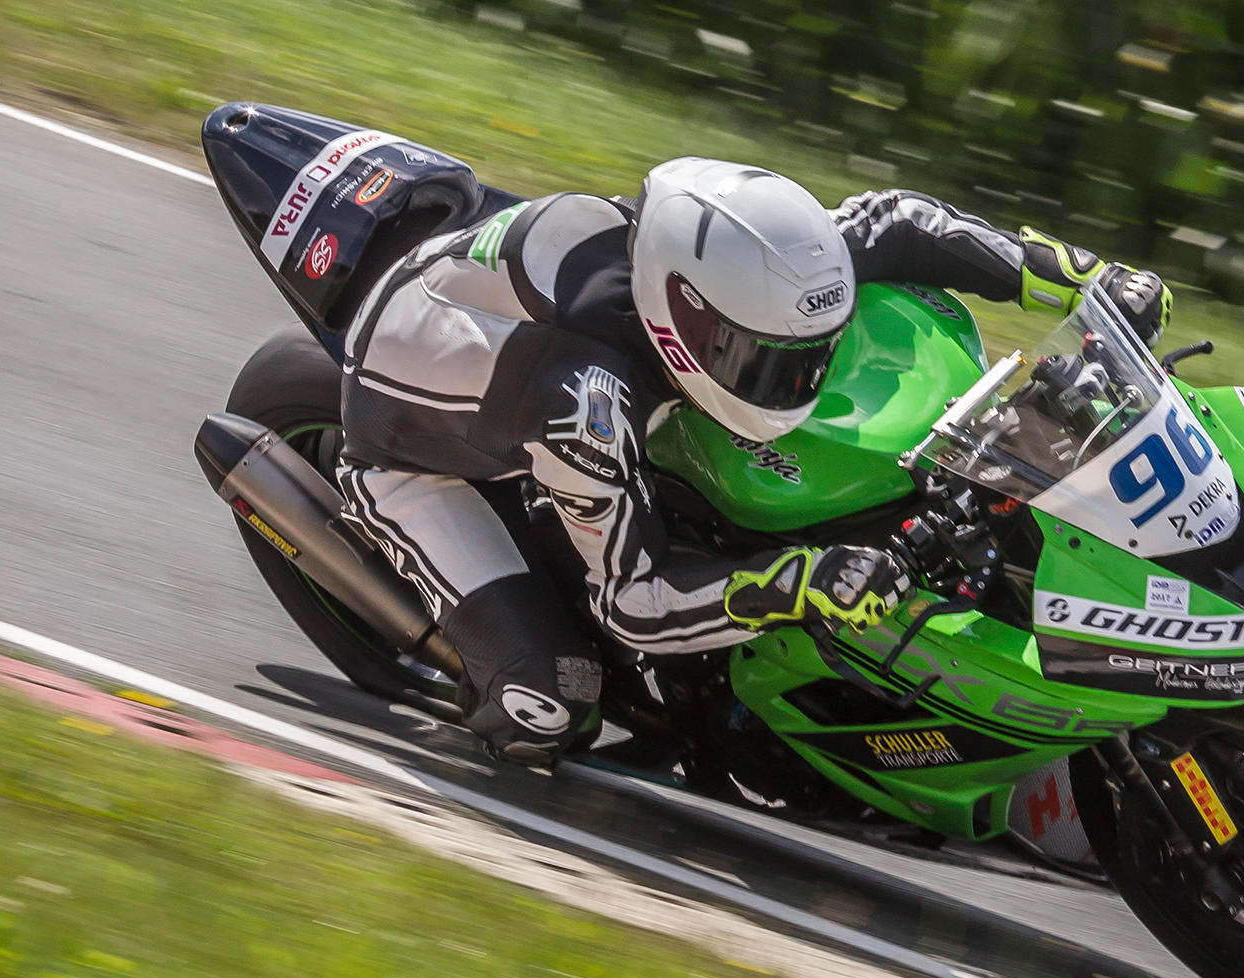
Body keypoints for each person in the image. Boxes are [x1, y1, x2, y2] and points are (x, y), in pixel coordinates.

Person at [334, 158, 1171, 763]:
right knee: (551, 705)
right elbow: (635, 601)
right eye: (766, 362)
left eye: (809, 356)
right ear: (683, 321)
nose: (795, 383)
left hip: (525, 310)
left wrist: (1078, 279)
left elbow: (900, 225)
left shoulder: (749, 265)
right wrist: (799, 583)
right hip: (411, 446)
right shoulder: (581, 406)